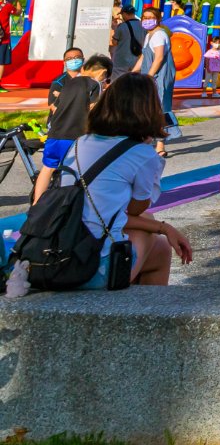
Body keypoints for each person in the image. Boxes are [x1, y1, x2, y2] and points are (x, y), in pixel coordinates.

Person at [61, 74, 192, 287]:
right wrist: (163, 227)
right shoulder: (142, 155)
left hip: (58, 256)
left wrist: (165, 227)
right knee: (156, 244)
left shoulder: (80, 143)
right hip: (92, 271)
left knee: (155, 240)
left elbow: (108, 214)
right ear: (150, 111)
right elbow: (135, 209)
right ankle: (148, 316)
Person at [32, 52, 110, 203]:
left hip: (55, 134)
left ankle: (37, 202)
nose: (105, 81)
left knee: (47, 168)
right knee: (75, 172)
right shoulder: (94, 85)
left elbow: (55, 106)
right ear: (102, 72)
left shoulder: (68, 83)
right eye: (105, 78)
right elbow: (93, 109)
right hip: (75, 136)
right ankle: (70, 204)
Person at [134, 5, 182, 142]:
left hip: (159, 76)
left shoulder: (159, 34)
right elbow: (144, 57)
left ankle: (162, 142)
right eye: (145, 18)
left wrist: (149, 76)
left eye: (151, 18)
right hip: (150, 76)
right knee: (149, 108)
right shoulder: (149, 35)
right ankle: (149, 138)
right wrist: (132, 72)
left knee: (160, 107)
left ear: (158, 19)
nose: (147, 20)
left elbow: (159, 57)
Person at [109, 4, 142, 77]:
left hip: (122, 60)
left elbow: (114, 42)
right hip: (138, 59)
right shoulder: (142, 25)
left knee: (119, 81)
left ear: (124, 13)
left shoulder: (122, 26)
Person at [201, 34, 220, 98]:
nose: (217, 44)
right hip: (210, 68)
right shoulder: (209, 51)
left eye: (219, 43)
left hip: (216, 69)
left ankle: (214, 93)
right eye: (216, 43)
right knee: (207, 79)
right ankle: (204, 92)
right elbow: (207, 60)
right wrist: (207, 67)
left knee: (214, 80)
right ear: (212, 43)